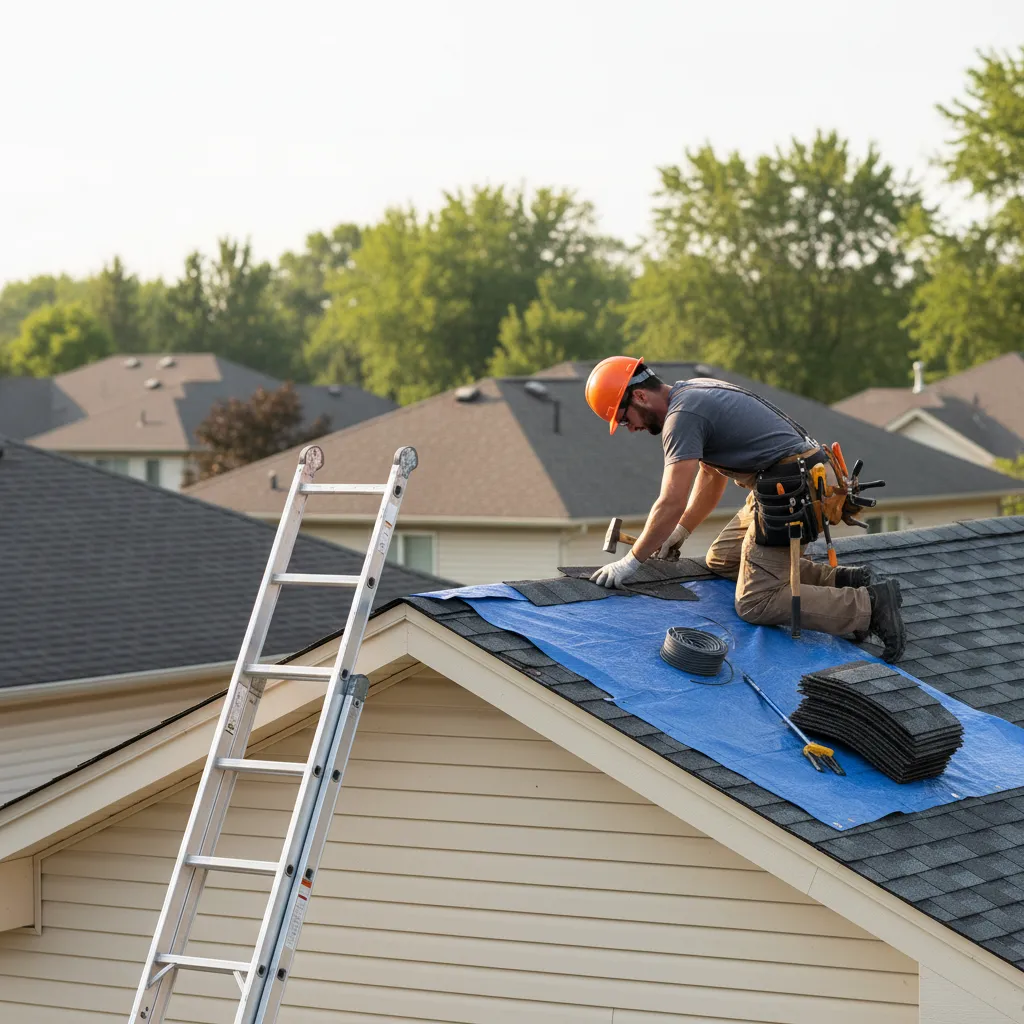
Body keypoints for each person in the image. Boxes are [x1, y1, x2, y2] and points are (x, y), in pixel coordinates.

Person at [584, 355, 906, 662]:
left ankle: (870, 606)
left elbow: (670, 501)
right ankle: (845, 581)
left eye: (624, 418)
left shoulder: (681, 418)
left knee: (755, 602)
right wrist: (680, 531)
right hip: (785, 480)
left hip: (789, 490)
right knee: (723, 559)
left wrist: (631, 562)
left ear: (639, 396)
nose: (630, 427)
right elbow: (711, 477)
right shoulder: (691, 392)